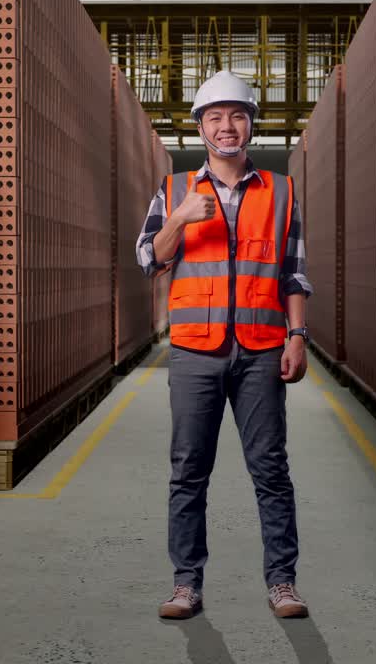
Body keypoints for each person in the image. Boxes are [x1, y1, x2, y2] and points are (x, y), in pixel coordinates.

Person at [135, 71, 314, 620]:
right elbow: (148, 258)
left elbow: (294, 272)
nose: (227, 126)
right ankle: (186, 584)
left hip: (261, 349)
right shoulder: (174, 190)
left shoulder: (280, 191)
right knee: (188, 470)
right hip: (195, 350)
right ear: (200, 128)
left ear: (251, 123)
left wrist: (298, 336)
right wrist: (182, 219)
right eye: (215, 117)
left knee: (270, 468)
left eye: (237, 115)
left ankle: (282, 583)